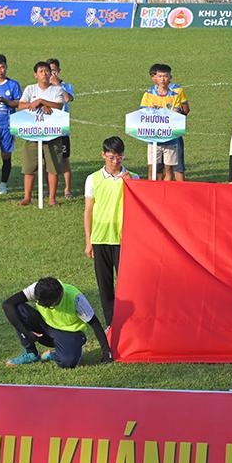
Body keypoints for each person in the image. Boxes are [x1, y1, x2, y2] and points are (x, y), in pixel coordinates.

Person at [83, 136, 135, 331]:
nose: (115, 161)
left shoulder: (133, 178)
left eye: (119, 157)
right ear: (103, 155)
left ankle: (129, 321)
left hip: (124, 239)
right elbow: (88, 210)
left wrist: (131, 185)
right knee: (104, 285)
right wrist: (88, 241)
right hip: (100, 238)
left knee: (127, 285)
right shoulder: (93, 179)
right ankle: (112, 324)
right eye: (111, 157)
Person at [2, 276, 110, 368]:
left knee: (68, 362)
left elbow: (95, 324)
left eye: (48, 306)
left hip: (69, 335)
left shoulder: (76, 299)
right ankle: (31, 353)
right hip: (45, 329)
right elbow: (7, 304)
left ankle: (59, 353)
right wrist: (26, 333)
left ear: (56, 300)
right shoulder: (38, 289)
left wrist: (106, 352)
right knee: (18, 308)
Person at [18, 60, 67, 205]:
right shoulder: (30, 89)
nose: (44, 74)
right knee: (29, 167)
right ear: (35, 75)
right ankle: (27, 197)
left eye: (47, 71)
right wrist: (35, 104)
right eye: (41, 71)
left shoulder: (57, 90)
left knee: (53, 167)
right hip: (33, 133)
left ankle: (52, 198)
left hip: (52, 134)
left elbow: (58, 105)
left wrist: (42, 101)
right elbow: (21, 106)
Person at [140, 62, 188, 181]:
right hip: (153, 138)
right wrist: (151, 111)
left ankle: (167, 190)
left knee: (169, 169)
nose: (162, 79)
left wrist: (161, 111)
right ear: (155, 78)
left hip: (170, 138)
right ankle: (152, 189)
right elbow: (142, 113)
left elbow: (177, 113)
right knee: (153, 168)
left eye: (165, 76)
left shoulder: (175, 95)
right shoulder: (148, 94)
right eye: (160, 76)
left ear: (170, 78)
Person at [0, 54, 23, 195]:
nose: (0, 70)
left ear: (6, 67)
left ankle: (3, 184)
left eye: (2, 67)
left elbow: (19, 103)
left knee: (6, 155)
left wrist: (5, 101)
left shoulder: (13, 85)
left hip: (7, 126)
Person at [48, 58, 76, 198]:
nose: (51, 73)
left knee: (64, 159)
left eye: (54, 70)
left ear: (59, 71)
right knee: (47, 160)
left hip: (62, 129)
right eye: (49, 71)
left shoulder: (66, 86)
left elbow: (67, 99)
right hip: (48, 128)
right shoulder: (44, 88)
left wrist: (57, 85)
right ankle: (49, 188)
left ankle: (67, 189)